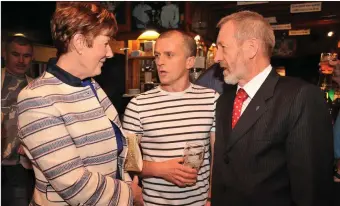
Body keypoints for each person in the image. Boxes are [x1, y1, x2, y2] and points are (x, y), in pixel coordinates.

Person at [16, 2, 140, 205]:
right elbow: (74, 184)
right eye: (105, 42)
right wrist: (129, 194)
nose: (109, 53)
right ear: (80, 42)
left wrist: (126, 185)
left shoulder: (91, 85)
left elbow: (117, 157)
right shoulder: (36, 98)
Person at [212, 10, 334, 206]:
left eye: (223, 47)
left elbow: (312, 189)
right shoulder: (225, 101)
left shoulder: (299, 97)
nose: (217, 57)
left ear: (251, 48)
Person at [123, 30, 219, 205]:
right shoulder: (138, 105)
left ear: (189, 61)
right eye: (157, 55)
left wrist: (211, 198)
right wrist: (161, 169)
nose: (160, 62)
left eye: (169, 55)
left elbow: (217, 156)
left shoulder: (211, 99)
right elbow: (127, 161)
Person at [1, 35, 35, 206]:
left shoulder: (37, 88)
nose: (21, 60)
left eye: (26, 55)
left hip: (19, 167)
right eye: (16, 54)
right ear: (4, 54)